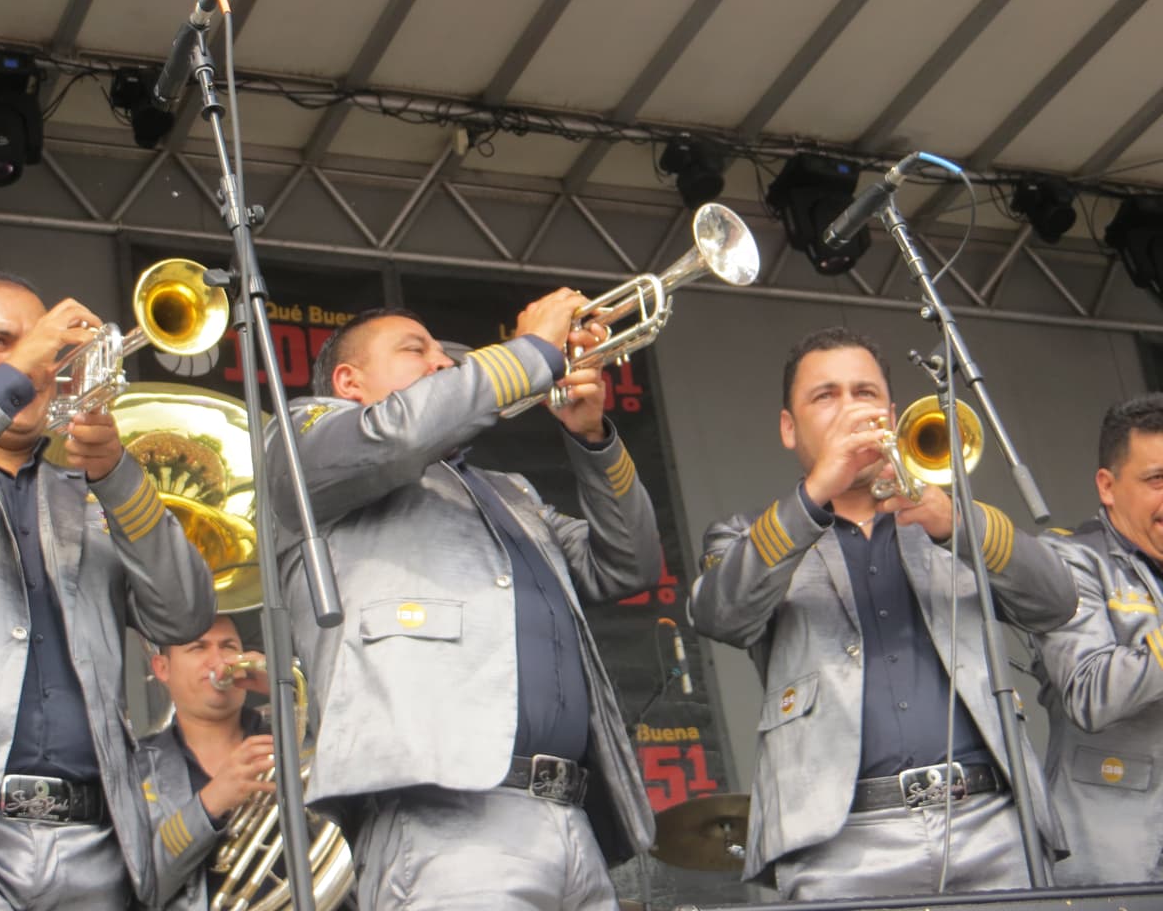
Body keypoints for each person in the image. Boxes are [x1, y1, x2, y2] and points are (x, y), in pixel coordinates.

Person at [266, 289, 662, 911]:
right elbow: (396, 437)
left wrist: (594, 439)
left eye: (446, 358)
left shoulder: (511, 493)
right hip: (442, 821)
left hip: (570, 817)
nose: (442, 364)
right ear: (348, 381)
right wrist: (529, 352)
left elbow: (628, 563)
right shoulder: (303, 442)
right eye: (414, 349)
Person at [690, 325, 1076, 900]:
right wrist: (818, 491)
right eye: (826, 396)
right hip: (838, 844)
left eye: (864, 393)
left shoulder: (946, 522)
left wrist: (959, 526)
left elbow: (1055, 602)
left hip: (992, 824)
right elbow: (722, 614)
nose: (850, 410)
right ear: (788, 428)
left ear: (892, 414)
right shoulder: (748, 536)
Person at [0, 274, 215, 909]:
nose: (32, 358)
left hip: (96, 845)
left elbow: (184, 614)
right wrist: (16, 374)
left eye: (42, 345)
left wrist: (116, 473)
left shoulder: (91, 495)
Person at [1031, 393, 1163, 885]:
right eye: (1157, 480)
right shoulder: (1067, 561)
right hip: (1110, 861)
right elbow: (1089, 691)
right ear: (1108, 486)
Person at [138, 614, 279, 910]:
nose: (218, 661)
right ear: (162, 668)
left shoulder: (294, 743)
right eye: (198, 648)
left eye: (228, 647)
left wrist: (281, 689)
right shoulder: (135, 768)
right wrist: (209, 805)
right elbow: (139, 885)